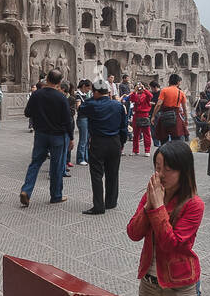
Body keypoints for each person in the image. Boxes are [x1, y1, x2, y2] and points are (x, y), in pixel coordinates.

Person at [127, 142, 207, 296]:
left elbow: (171, 245)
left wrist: (158, 207)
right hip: (149, 283)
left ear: (184, 171)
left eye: (168, 169)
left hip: (180, 284)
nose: (160, 174)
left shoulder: (194, 204)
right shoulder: (150, 196)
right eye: (157, 167)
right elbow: (133, 233)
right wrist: (148, 206)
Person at [20, 71, 76, 207]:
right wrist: (71, 137)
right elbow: (67, 120)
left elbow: (27, 113)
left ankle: (26, 190)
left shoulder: (36, 95)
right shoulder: (61, 97)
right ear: (59, 81)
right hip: (58, 135)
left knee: (35, 163)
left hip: (41, 134)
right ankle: (56, 195)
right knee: (56, 166)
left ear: (47, 79)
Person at [81, 81, 131, 214]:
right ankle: (111, 201)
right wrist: (122, 142)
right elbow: (123, 126)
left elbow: (81, 109)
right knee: (113, 173)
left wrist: (92, 98)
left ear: (96, 92)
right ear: (108, 92)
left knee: (97, 174)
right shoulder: (118, 105)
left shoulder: (91, 104)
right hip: (115, 141)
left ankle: (98, 205)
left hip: (98, 142)